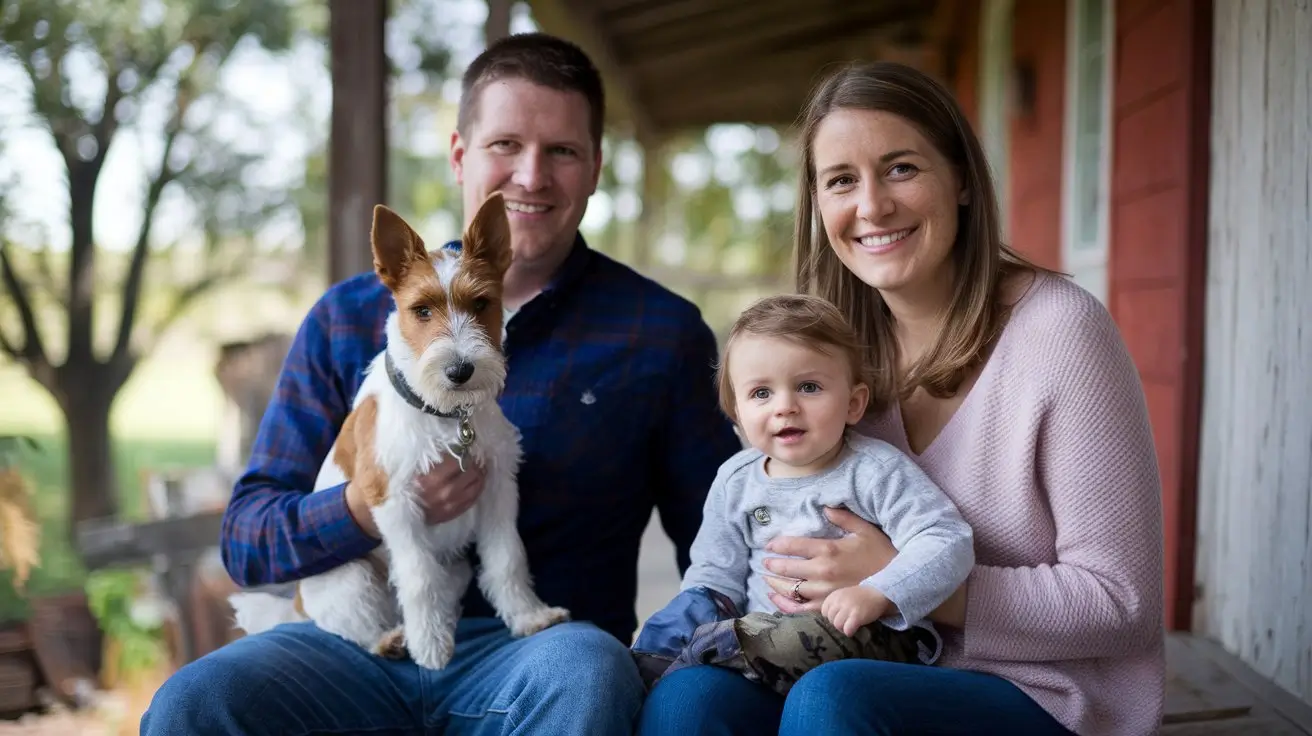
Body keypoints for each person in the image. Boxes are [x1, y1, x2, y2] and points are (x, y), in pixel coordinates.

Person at [141, 33, 742, 736]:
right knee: (194, 702)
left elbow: (717, 537)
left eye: (563, 152)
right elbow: (247, 540)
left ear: (596, 167)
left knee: (588, 670)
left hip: (537, 653)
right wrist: (366, 511)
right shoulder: (345, 319)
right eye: (505, 145)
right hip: (349, 644)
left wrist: (672, 657)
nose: (531, 176)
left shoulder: (658, 334)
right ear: (461, 155)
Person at [638, 61, 1165, 736]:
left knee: (834, 701)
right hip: (853, 660)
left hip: (1043, 695)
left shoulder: (1060, 333)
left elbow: (1122, 604)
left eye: (902, 168)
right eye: (841, 181)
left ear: (963, 179)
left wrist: (903, 579)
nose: (872, 206)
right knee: (689, 700)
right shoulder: (829, 360)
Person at [631, 293, 973, 696]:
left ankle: (713, 653)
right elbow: (714, 573)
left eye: (808, 387)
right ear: (736, 414)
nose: (785, 407)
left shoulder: (873, 471)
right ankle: (643, 670)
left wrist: (879, 592)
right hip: (758, 632)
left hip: (868, 636)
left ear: (853, 403)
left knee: (775, 639)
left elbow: (947, 539)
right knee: (679, 619)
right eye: (761, 393)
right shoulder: (735, 479)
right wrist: (684, 618)